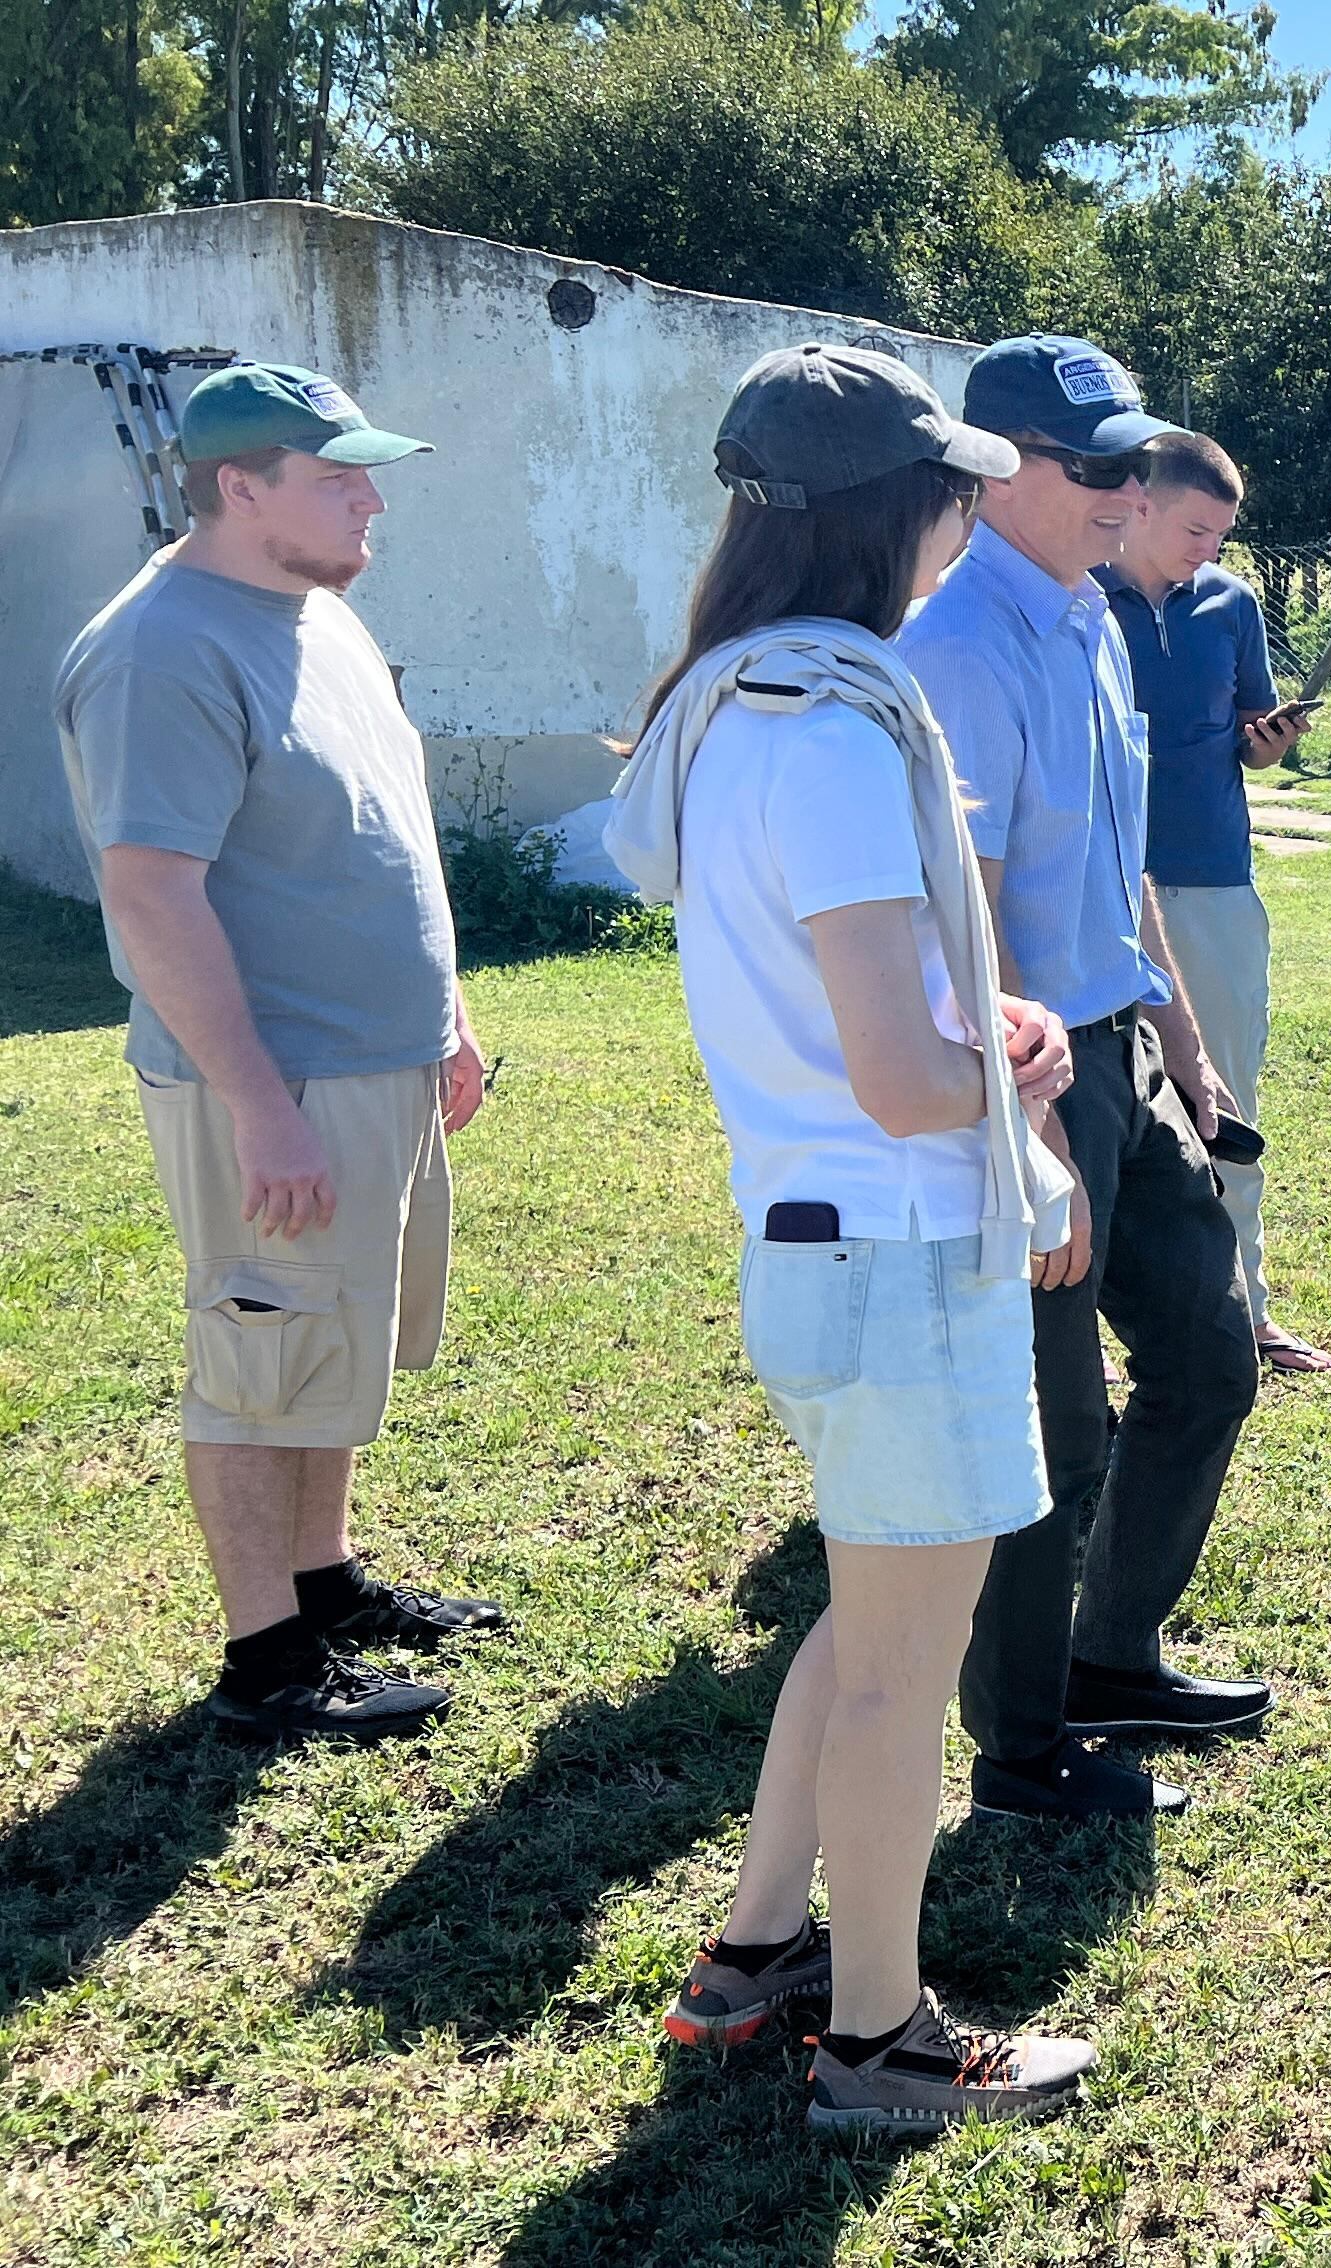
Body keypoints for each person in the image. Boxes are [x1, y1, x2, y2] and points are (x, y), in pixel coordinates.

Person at [609, 341, 1096, 2130]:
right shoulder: (830, 726)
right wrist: (1013, 1090)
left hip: (822, 1244)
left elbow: (872, 1021)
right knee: (905, 1660)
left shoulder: (742, 701)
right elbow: (901, 1075)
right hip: (893, 1247)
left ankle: (751, 1962)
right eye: (953, 485)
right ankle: (883, 2040)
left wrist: (991, 1033)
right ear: (896, 512)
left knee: (863, 1614)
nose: (970, 510)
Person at [55, 363, 504, 1744]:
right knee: (260, 1349)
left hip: (373, 1061)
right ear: (238, 488)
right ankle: (267, 1663)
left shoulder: (319, 617)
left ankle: (325, 1579)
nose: (372, 499)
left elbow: (381, 831)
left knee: (330, 1338)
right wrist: (263, 1108)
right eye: (338, 476)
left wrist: (447, 1020)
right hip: (276, 1078)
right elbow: (151, 892)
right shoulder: (160, 649)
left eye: (369, 471)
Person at [905, 335, 1268, 1819]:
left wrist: (1180, 1040)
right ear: (997, 471)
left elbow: (1118, 878)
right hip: (1030, 1080)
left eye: (1135, 462)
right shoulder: (955, 648)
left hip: (1116, 1049)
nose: (1128, 489)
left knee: (1212, 1357)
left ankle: (1114, 1658)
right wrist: (1036, 1128)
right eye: (1097, 466)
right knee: (1053, 1428)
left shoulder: (1095, 625)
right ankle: (1022, 1746)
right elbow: (966, 906)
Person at [1101, 430, 1329, 1377]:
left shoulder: (1231, 604)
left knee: (1226, 1094)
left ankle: (1248, 1310)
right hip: (1097, 886)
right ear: (1141, 503)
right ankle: (1094, 1337)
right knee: (1094, 1107)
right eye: (1197, 529)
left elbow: (1247, 736)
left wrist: (1267, 743)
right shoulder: (1077, 601)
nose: (1210, 551)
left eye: (1222, 535)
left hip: (1212, 877)